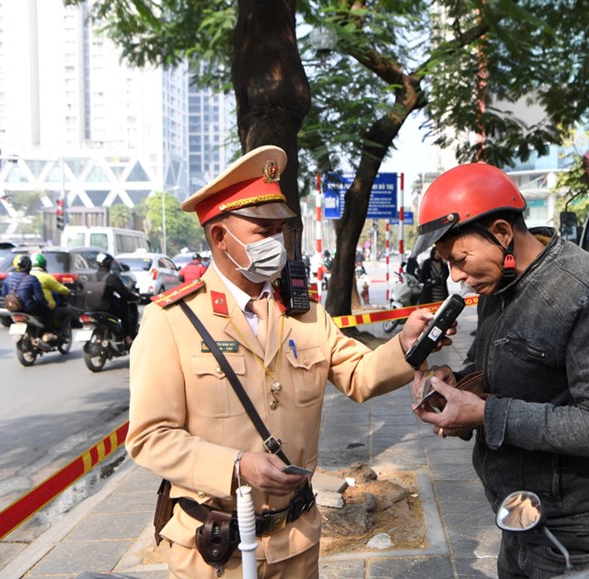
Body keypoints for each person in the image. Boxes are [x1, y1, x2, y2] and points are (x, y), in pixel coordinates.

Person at [125, 145, 447, 578]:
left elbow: (359, 375)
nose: (276, 242)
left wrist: (408, 345)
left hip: (296, 542)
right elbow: (150, 437)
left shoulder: (304, 314)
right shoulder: (174, 321)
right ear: (220, 237)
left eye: (280, 229)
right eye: (263, 231)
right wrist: (236, 467)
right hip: (214, 551)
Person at [409, 163, 589, 577]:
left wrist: (484, 415)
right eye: (445, 264)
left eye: (459, 259)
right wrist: (457, 385)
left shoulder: (588, 290)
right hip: (518, 514)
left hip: (575, 537)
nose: (455, 278)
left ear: (501, 232)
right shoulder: (501, 280)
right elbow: (490, 363)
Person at [95, 253, 141, 346]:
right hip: (106, 307)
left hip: (91, 307)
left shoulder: (91, 276)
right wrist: (135, 296)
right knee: (125, 311)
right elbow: (124, 293)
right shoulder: (111, 278)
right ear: (109, 264)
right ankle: (128, 337)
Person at [31, 253, 74, 341]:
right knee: (68, 313)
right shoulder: (46, 277)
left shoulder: (28, 275)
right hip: (45, 307)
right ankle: (62, 333)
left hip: (31, 306)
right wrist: (69, 291)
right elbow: (60, 289)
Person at [2, 255, 48, 319]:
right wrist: (47, 304)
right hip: (28, 308)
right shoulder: (32, 279)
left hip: (12, 307)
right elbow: (40, 298)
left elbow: (4, 294)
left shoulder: (8, 278)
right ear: (29, 266)